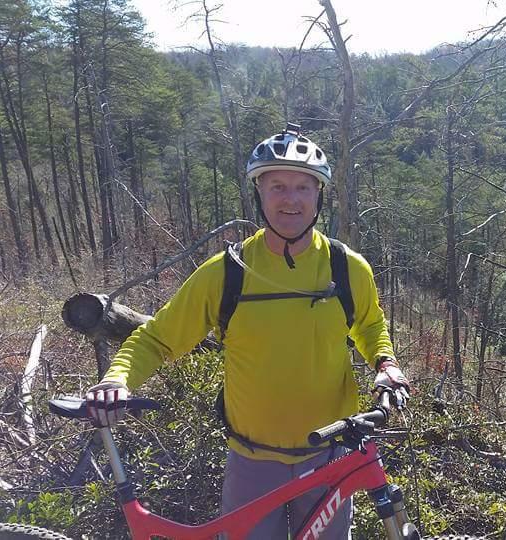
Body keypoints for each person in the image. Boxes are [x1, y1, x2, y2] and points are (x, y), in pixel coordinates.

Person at [85, 123, 409, 539]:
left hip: (330, 457)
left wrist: (386, 362)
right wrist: (117, 378)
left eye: (303, 187)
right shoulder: (227, 274)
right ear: (259, 192)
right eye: (277, 186)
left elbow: (369, 325)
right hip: (253, 462)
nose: (290, 199)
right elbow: (156, 337)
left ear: (319, 195)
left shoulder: (347, 268)